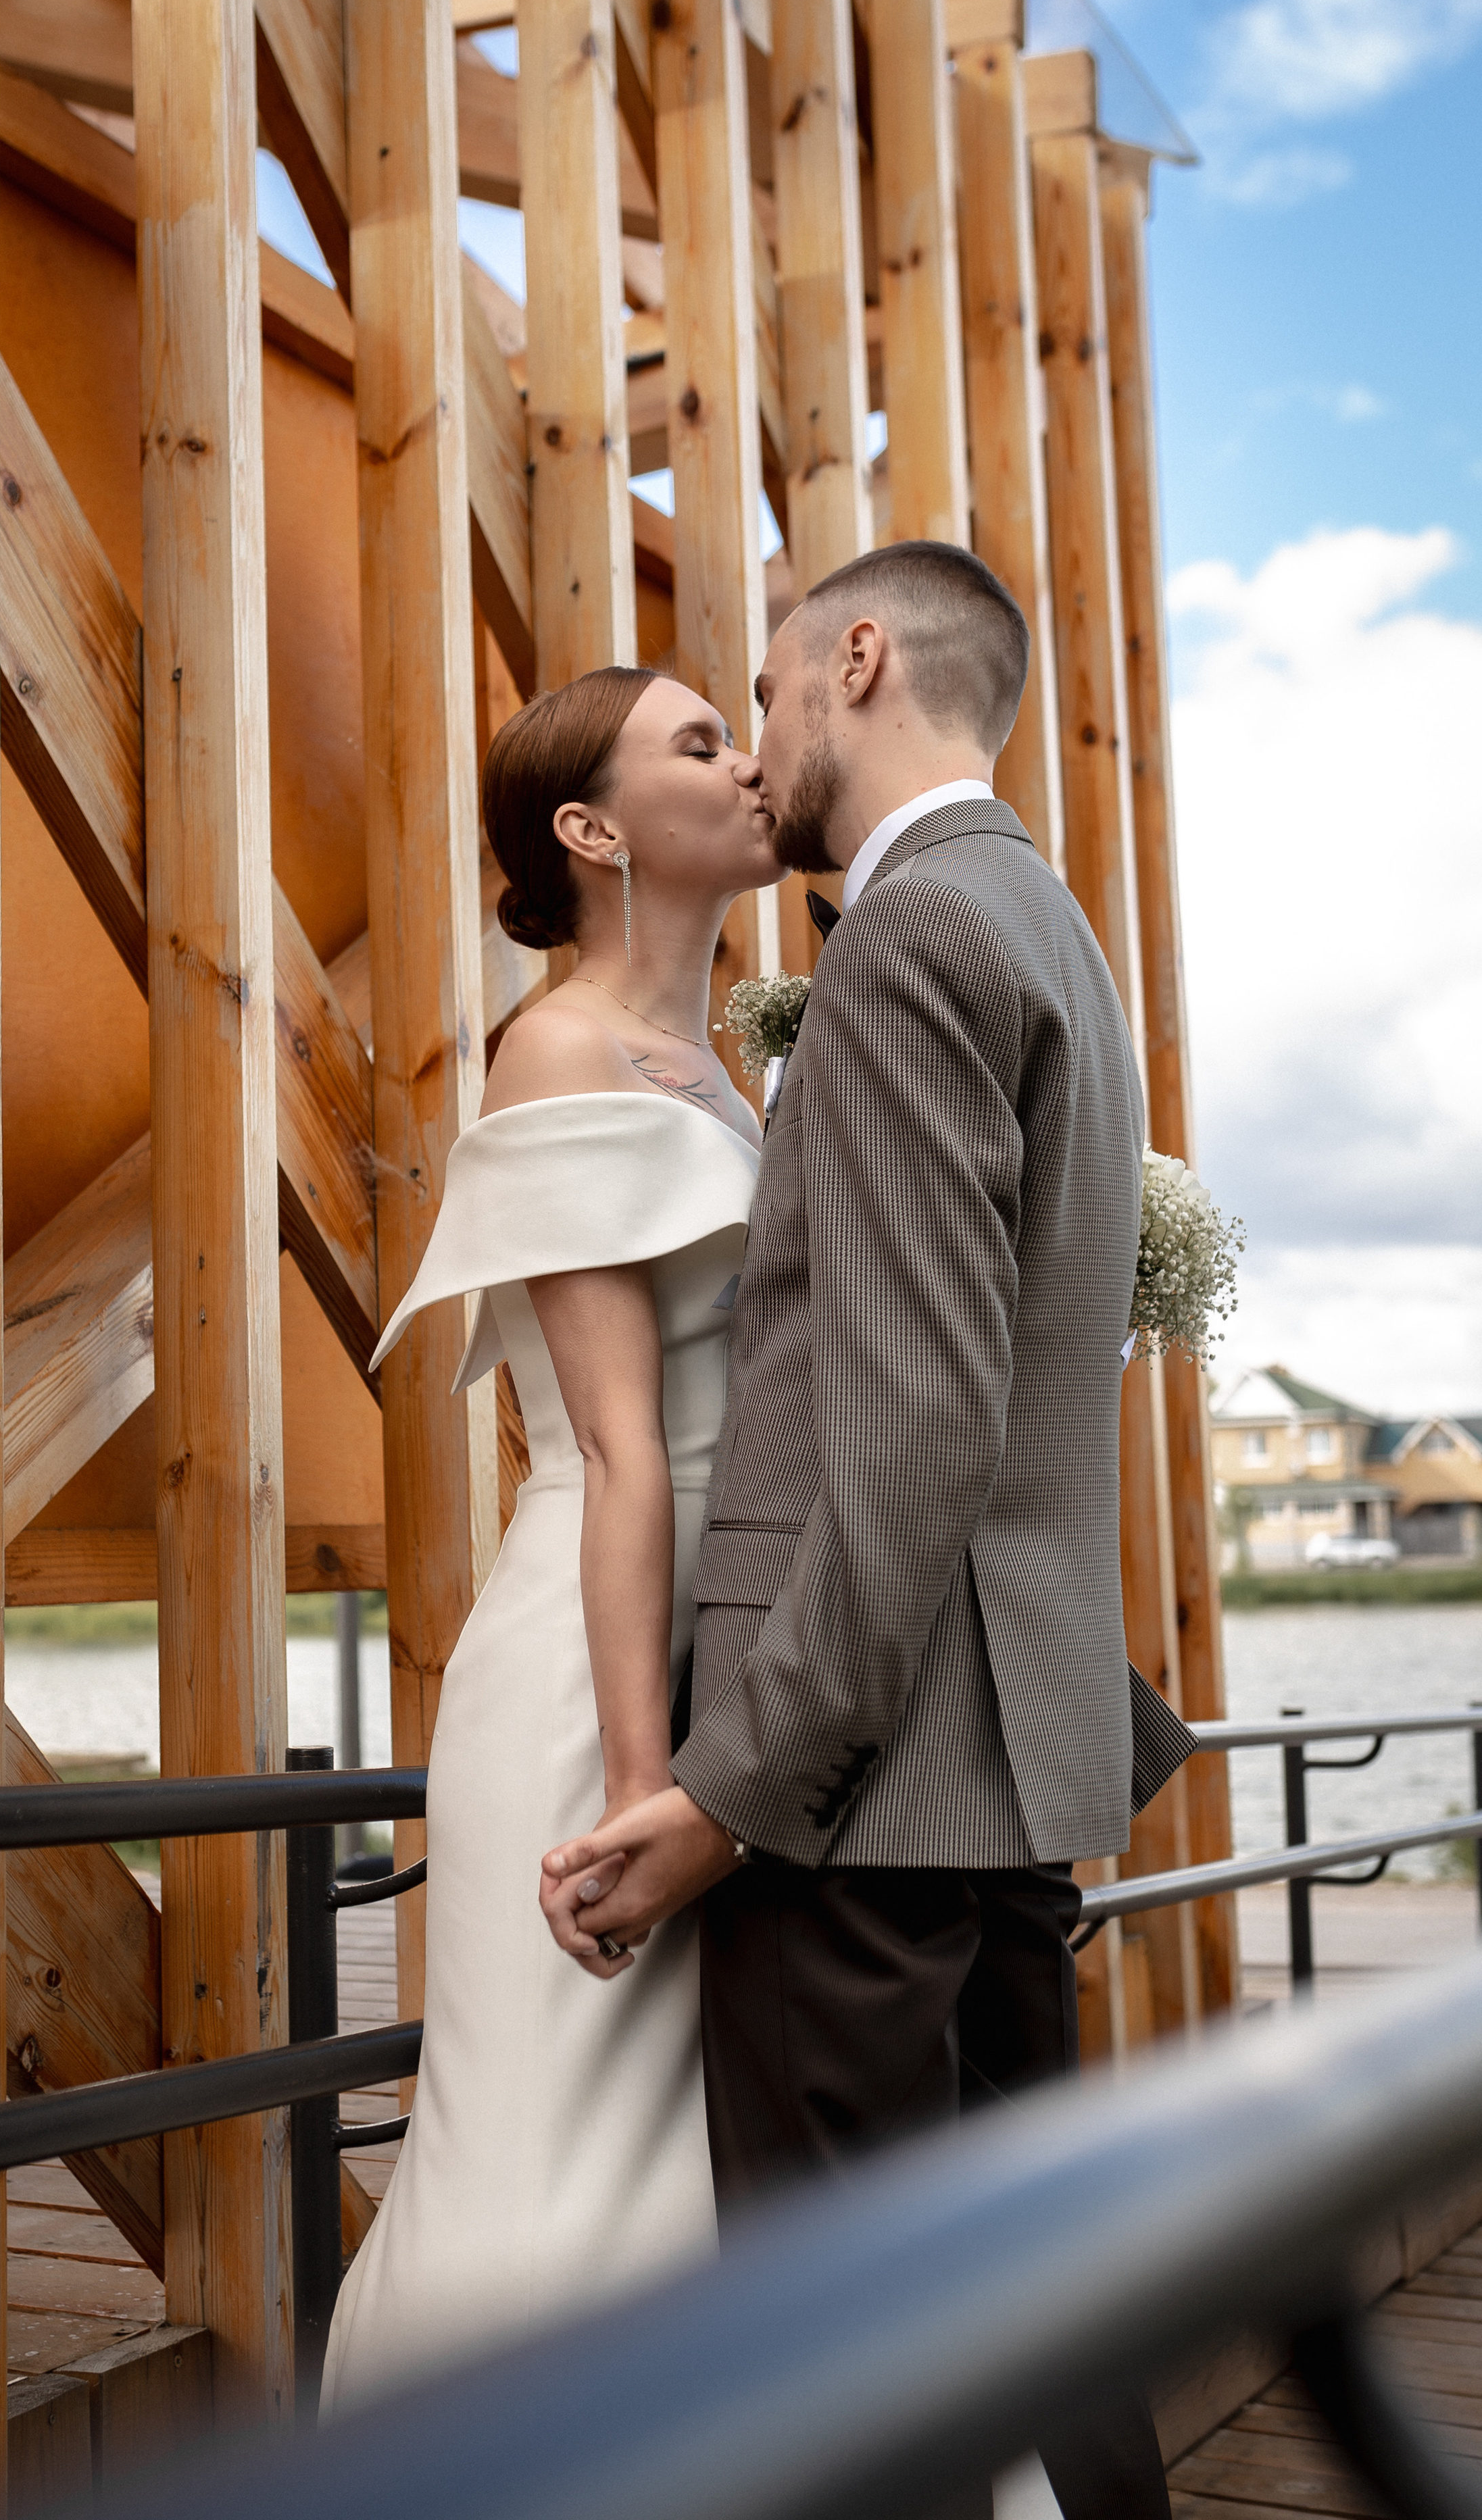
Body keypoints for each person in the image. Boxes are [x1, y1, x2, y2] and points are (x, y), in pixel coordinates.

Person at [540, 543, 1197, 2520]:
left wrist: (737, 1790)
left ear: (858, 656)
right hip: (997, 1771)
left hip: (856, 1791)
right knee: (1043, 2327)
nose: (762, 749)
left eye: (766, 689)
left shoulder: (913, 939)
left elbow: (906, 1419)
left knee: (849, 2385)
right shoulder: (1044, 921)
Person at [319, 664, 784, 2413]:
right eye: (696, 744)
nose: (748, 765)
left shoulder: (726, 1063)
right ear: (591, 832)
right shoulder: (558, 1047)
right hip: (601, 1667)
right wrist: (647, 1791)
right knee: (553, 2150)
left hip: (705, 1641)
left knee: (682, 2165)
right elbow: (609, 1449)